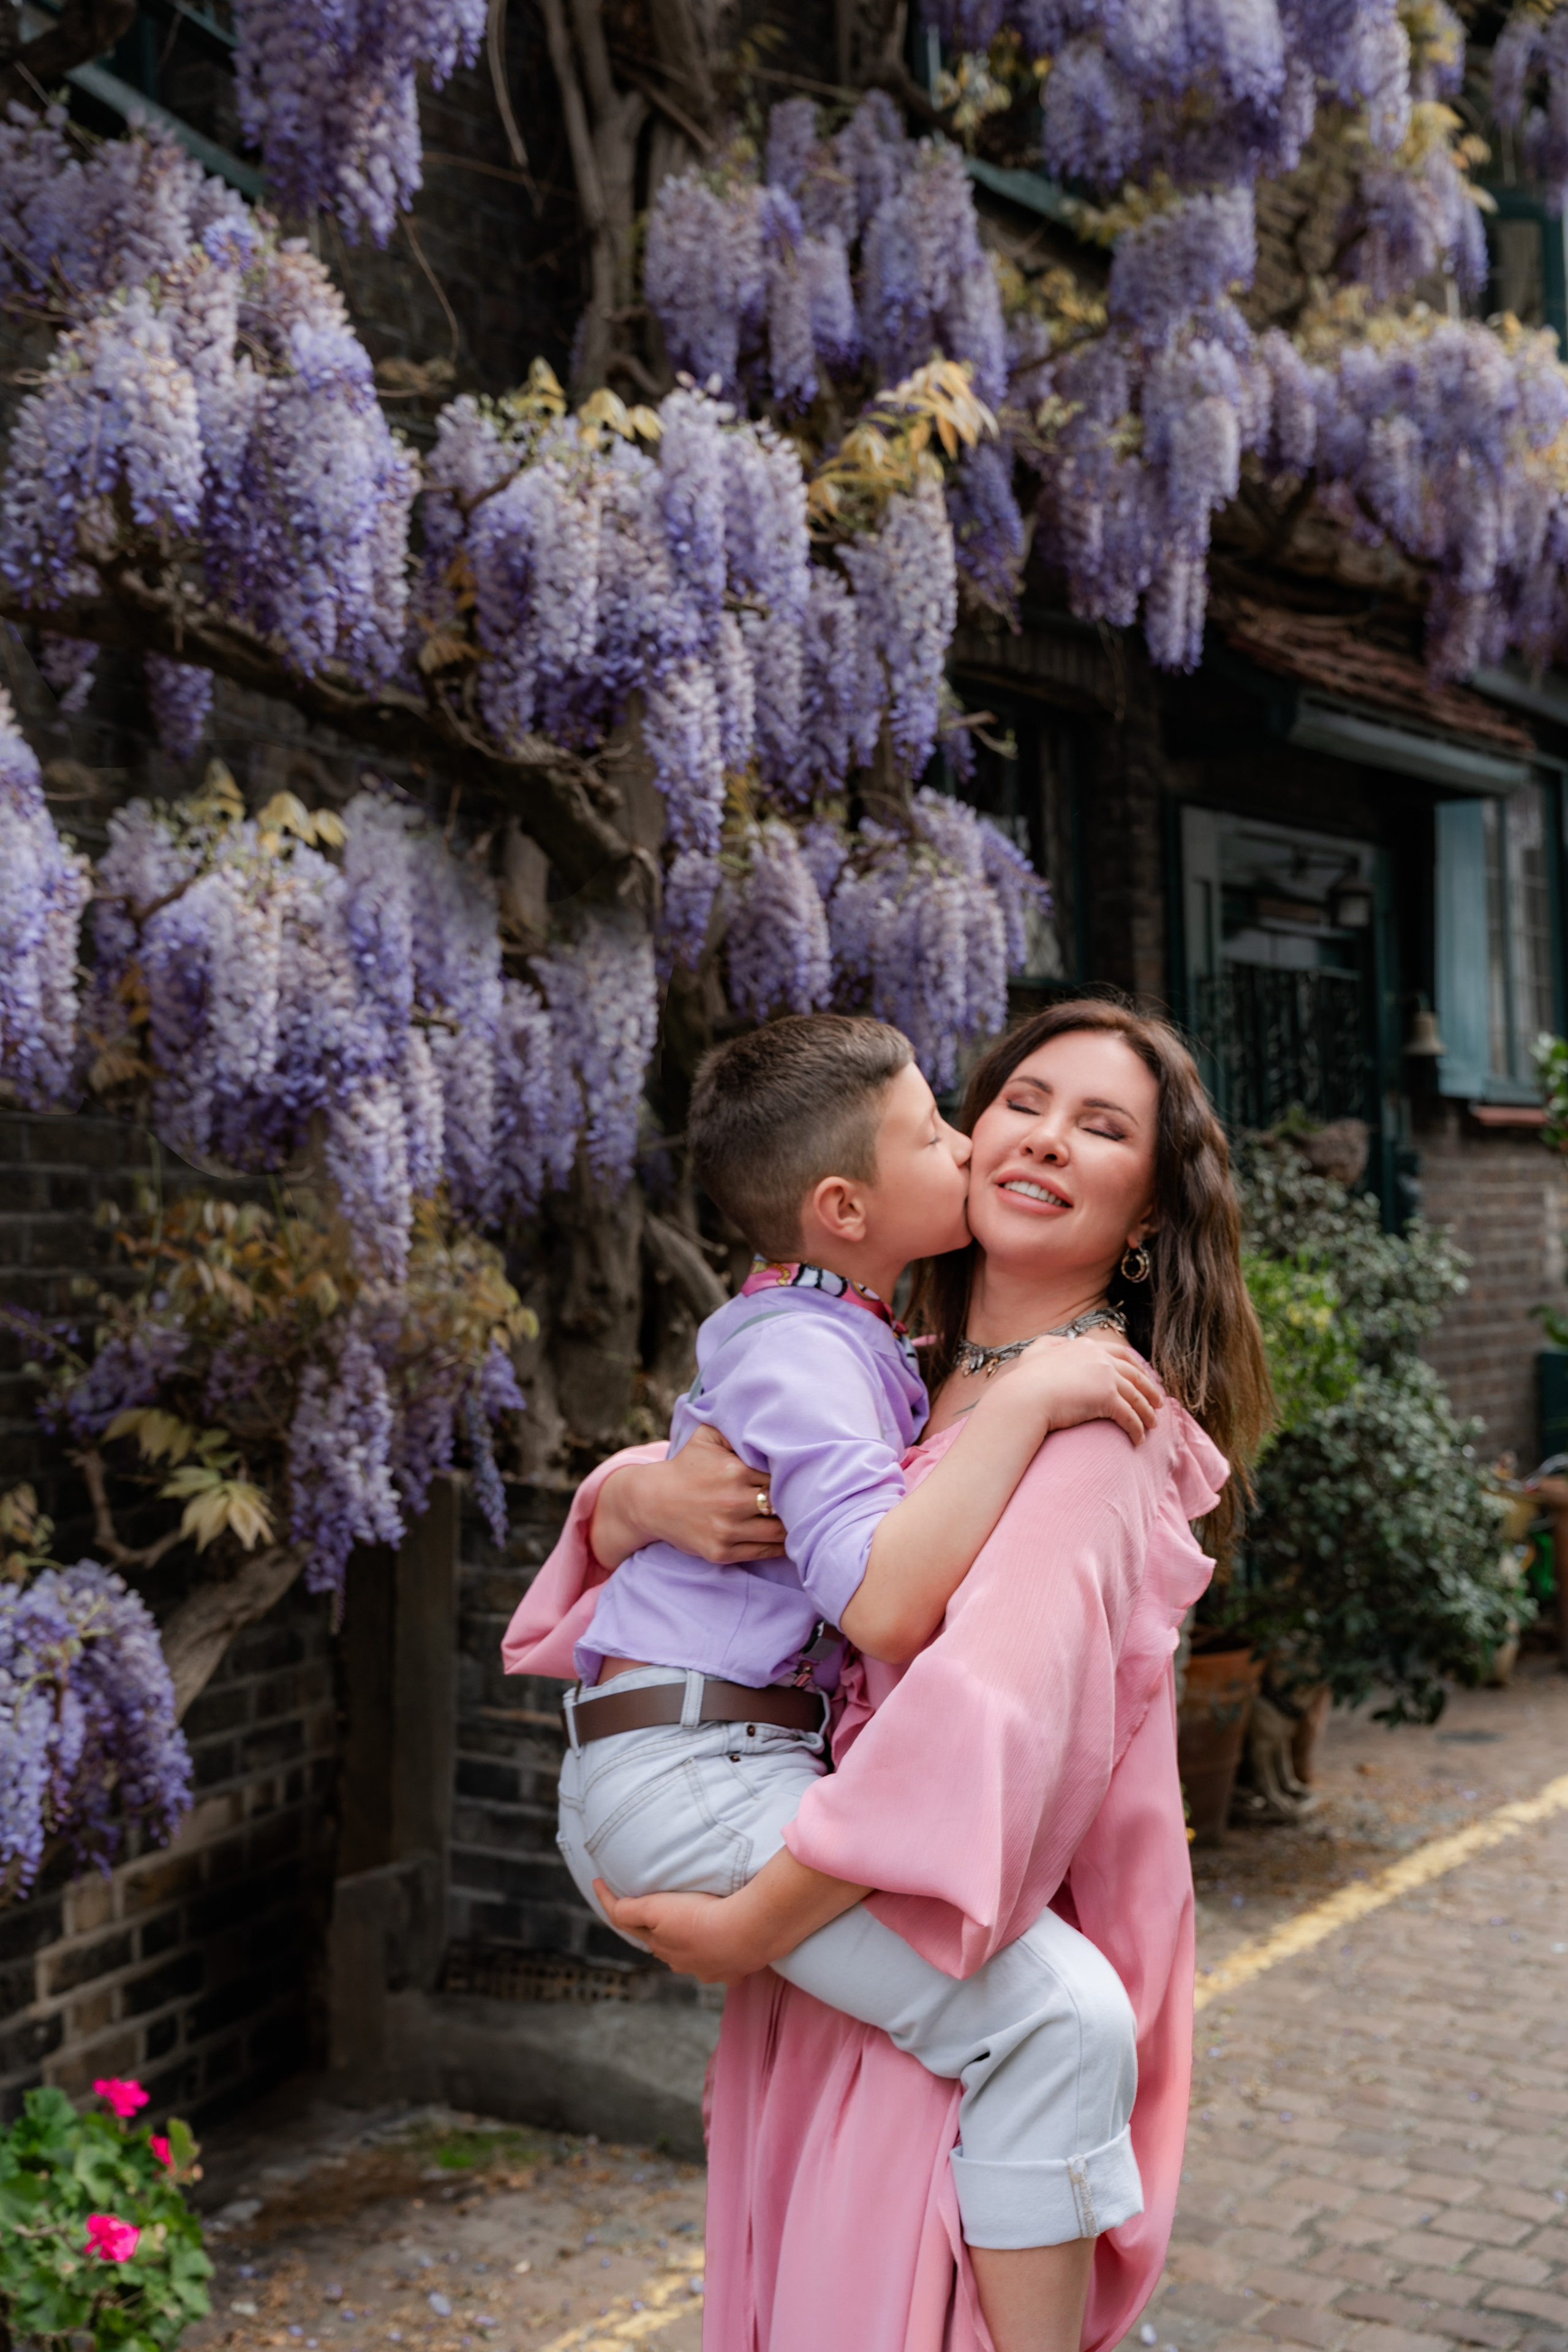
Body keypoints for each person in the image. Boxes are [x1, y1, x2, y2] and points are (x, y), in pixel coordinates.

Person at [581, 999, 1272, 2352]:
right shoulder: (905, 1365)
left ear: (1147, 1213)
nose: (1044, 1139)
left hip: (945, 1923)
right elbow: (734, 1465)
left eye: (1102, 1127)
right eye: (1021, 1103)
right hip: (843, 1909)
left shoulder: (1096, 1424)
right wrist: (635, 1503)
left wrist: (752, 1923)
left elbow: (974, 1719)